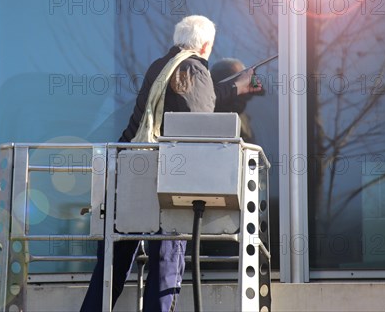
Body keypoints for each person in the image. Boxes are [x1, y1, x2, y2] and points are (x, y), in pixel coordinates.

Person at [80, 16, 262, 312]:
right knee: (165, 270)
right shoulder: (193, 66)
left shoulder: (161, 65)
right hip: (165, 184)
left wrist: (232, 89)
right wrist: (235, 89)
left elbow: (186, 98)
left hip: (128, 177)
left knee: (108, 275)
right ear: (205, 45)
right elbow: (196, 125)